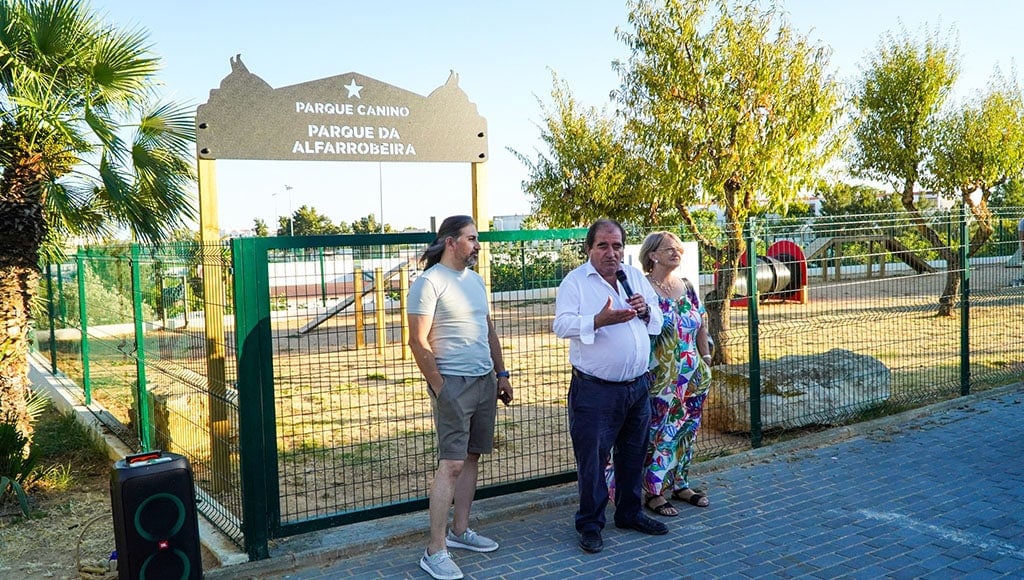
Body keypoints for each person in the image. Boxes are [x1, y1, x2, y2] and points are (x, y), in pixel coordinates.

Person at [407, 215, 514, 580]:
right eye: (471, 238)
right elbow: (417, 342)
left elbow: (489, 330)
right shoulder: (429, 282)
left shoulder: (477, 281)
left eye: (477, 238)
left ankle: (460, 532)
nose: (477, 245)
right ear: (450, 242)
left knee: (471, 457)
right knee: (451, 464)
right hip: (452, 382)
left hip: (485, 380)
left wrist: (501, 375)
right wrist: (440, 387)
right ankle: (434, 550)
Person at [553, 218, 668, 554]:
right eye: (603, 245)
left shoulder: (633, 277)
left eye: (617, 245)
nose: (611, 252)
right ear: (589, 248)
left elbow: (657, 320)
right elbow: (561, 325)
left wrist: (646, 311)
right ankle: (590, 524)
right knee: (592, 460)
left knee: (633, 455)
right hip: (595, 390)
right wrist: (597, 321)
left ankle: (629, 514)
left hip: (637, 386)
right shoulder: (575, 282)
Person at [636, 231, 713, 517]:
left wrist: (705, 359)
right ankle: (653, 491)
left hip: (693, 377)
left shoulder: (688, 286)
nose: (676, 252)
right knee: (659, 433)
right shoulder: (643, 289)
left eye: (678, 248)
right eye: (669, 248)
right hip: (660, 378)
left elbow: (701, 324)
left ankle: (680, 484)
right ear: (653, 255)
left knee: (686, 432)